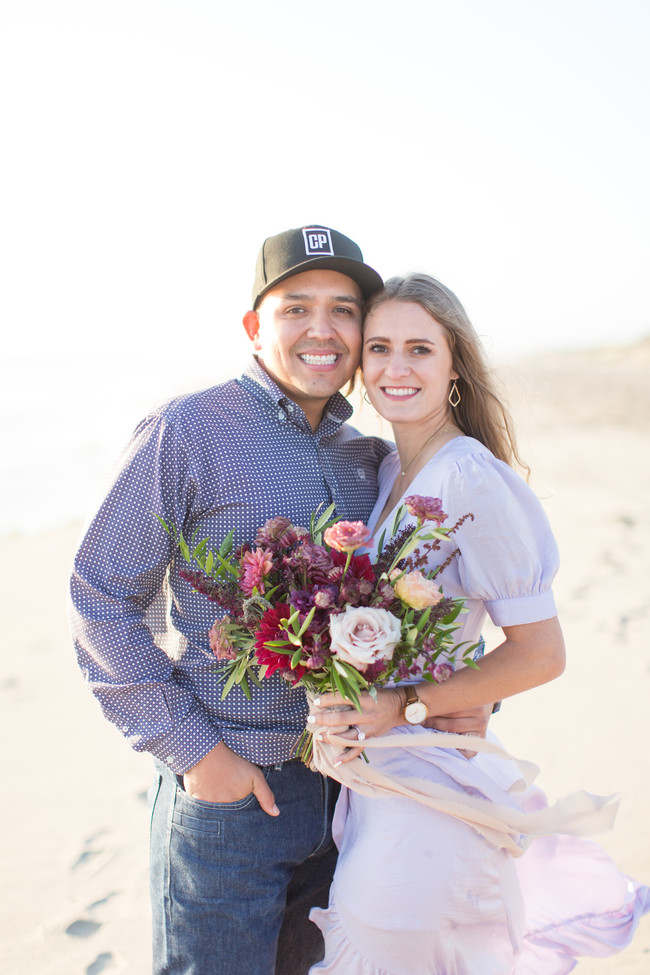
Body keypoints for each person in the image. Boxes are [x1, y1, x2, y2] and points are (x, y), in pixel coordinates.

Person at [68, 227, 487, 975]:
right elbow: (100, 596)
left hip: (356, 801)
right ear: (255, 326)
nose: (321, 329)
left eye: (343, 309)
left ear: (363, 334)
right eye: (296, 307)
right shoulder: (188, 431)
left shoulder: (370, 458)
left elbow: (428, 605)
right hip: (231, 800)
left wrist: (449, 700)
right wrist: (198, 757)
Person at [307, 273, 650, 974]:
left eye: (419, 349)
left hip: (428, 789)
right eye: (379, 347)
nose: (396, 367)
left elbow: (541, 651)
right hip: (387, 779)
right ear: (361, 366)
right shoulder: (388, 472)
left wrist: (412, 703)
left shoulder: (469, 477)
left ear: (454, 363)